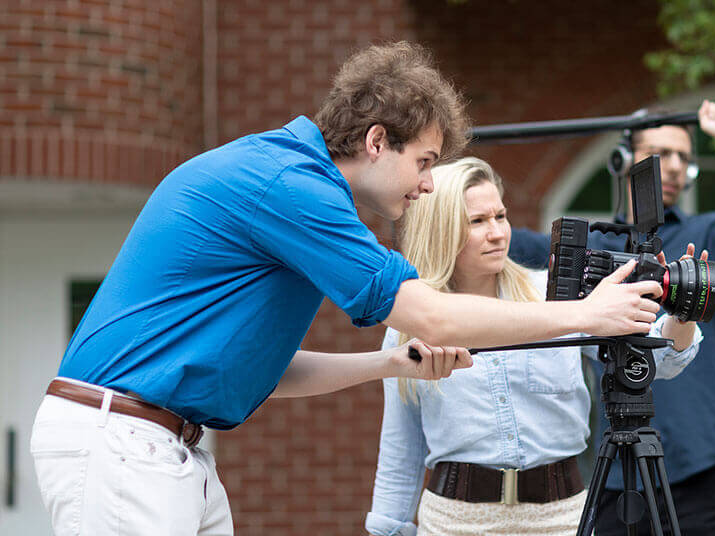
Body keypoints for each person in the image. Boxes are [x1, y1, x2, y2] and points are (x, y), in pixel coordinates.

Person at [29, 43, 667, 536]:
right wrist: (585, 315)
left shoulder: (287, 178)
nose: (425, 186)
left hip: (163, 444)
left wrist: (392, 363)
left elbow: (271, 372)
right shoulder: (295, 188)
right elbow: (434, 316)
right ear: (376, 142)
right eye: (424, 162)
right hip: (123, 441)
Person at [364, 157, 703, 536]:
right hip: (454, 522)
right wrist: (388, 529)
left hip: (560, 518)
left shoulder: (558, 296)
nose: (497, 232)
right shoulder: (408, 326)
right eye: (478, 221)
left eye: (501, 216)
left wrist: (682, 309)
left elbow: (663, 360)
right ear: (441, 229)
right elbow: (401, 451)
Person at [510, 100, 715, 535]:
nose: (675, 167)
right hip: (618, 472)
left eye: (684, 157)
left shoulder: (707, 237)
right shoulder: (595, 248)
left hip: (703, 472)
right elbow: (502, 247)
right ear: (624, 161)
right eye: (661, 154)